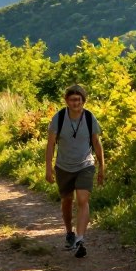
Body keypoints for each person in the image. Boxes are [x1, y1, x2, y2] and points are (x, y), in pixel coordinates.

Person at [45, 83, 104, 259]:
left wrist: (102, 166)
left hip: (85, 165)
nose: (76, 103)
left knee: (83, 199)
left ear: (83, 101)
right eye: (72, 99)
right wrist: (48, 167)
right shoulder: (59, 118)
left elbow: (96, 143)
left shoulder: (89, 118)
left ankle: (79, 240)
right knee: (67, 201)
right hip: (63, 166)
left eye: (79, 100)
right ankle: (69, 232)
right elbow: (50, 144)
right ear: (67, 101)